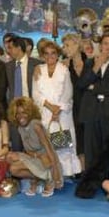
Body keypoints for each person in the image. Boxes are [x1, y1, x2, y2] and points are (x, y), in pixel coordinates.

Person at [78, 31, 109, 169]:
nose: (108, 47)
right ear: (100, 46)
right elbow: (82, 84)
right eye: (105, 44)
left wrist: (92, 87)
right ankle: (90, 183)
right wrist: (96, 66)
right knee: (90, 150)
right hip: (90, 112)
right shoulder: (89, 63)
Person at [32, 40, 81, 177]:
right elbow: (35, 94)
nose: (50, 56)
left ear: (58, 54)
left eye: (53, 53)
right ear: (42, 55)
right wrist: (50, 107)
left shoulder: (64, 69)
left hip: (62, 115)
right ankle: (49, 175)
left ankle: (64, 175)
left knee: (63, 148)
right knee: (46, 146)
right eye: (46, 54)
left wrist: (57, 110)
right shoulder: (38, 70)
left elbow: (68, 94)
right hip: (45, 114)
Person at [6, 97, 62, 197]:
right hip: (37, 158)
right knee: (11, 161)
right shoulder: (20, 128)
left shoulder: (35, 125)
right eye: (18, 113)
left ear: (30, 112)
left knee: (14, 167)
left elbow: (49, 149)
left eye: (24, 112)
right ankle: (39, 178)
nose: (20, 116)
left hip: (48, 161)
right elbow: (29, 151)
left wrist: (56, 174)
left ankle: (49, 179)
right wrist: (30, 155)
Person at [62, 34, 87, 170]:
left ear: (77, 45)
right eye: (64, 46)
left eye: (67, 45)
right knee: (70, 140)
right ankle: (70, 170)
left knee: (87, 140)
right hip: (70, 109)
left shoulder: (90, 62)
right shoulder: (64, 66)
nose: (65, 49)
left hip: (88, 107)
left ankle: (86, 170)